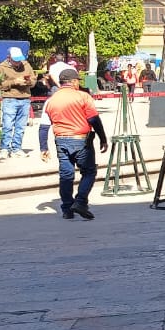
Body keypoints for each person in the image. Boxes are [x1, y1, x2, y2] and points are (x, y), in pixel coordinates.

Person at [43, 68, 108, 219]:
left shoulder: (51, 100)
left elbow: (44, 126)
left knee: (66, 175)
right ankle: (80, 201)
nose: (79, 83)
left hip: (61, 141)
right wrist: (103, 138)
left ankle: (67, 209)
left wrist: (43, 147)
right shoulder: (82, 96)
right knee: (89, 172)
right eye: (78, 80)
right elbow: (93, 119)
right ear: (73, 81)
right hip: (81, 140)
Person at [0, 47, 36, 158]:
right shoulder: (2, 67)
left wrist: (29, 81)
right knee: (7, 125)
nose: (18, 62)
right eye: (15, 60)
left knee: (20, 127)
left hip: (25, 99)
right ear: (9, 57)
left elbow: (33, 81)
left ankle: (17, 148)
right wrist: (14, 82)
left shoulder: (26, 65)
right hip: (9, 98)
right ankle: (4, 148)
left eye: (19, 59)